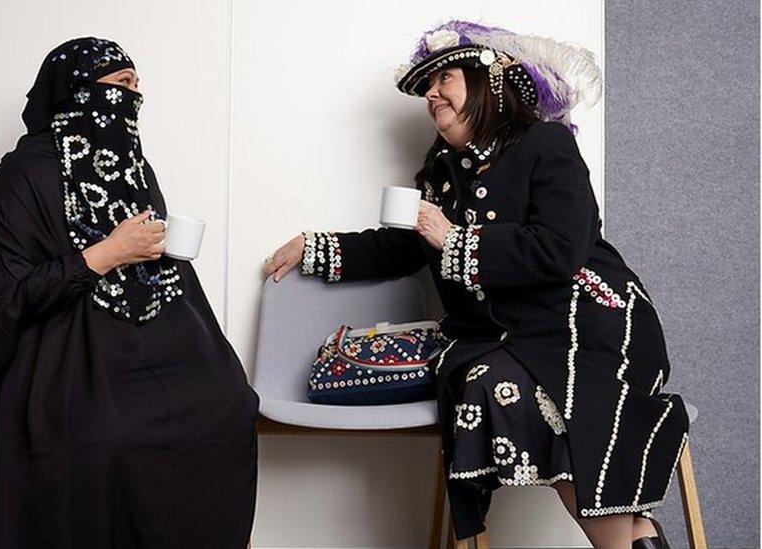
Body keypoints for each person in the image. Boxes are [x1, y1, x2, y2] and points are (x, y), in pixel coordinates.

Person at [264, 20, 688, 549]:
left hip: (587, 323)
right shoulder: (443, 174)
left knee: (522, 390)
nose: (431, 95)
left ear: (488, 82)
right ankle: (637, 538)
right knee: (485, 378)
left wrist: (457, 240)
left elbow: (561, 247)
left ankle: (623, 540)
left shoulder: (546, 144)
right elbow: (404, 247)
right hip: (506, 336)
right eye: (426, 87)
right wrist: (318, 247)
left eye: (443, 78)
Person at [0, 37, 259, 548]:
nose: (132, 99)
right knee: (106, 438)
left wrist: (160, 251)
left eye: (137, 87)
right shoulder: (21, 175)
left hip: (151, 342)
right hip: (58, 353)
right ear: (75, 92)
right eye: (120, 85)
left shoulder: (136, 169)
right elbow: (4, 297)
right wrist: (105, 254)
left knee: (228, 408)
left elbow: (156, 271)